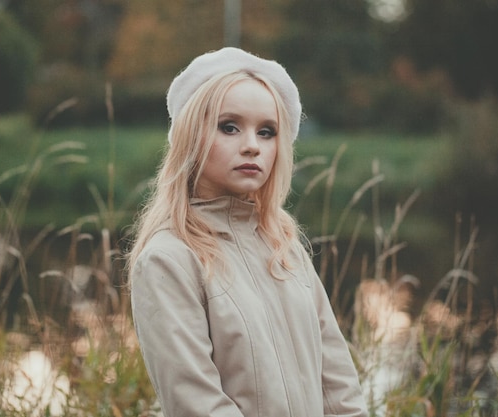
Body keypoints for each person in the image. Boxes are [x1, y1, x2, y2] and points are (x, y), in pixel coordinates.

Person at [127, 47, 368, 417]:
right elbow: (197, 404)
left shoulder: (283, 247)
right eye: (229, 127)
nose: (252, 145)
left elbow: (339, 383)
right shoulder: (168, 259)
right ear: (191, 137)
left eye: (267, 132)